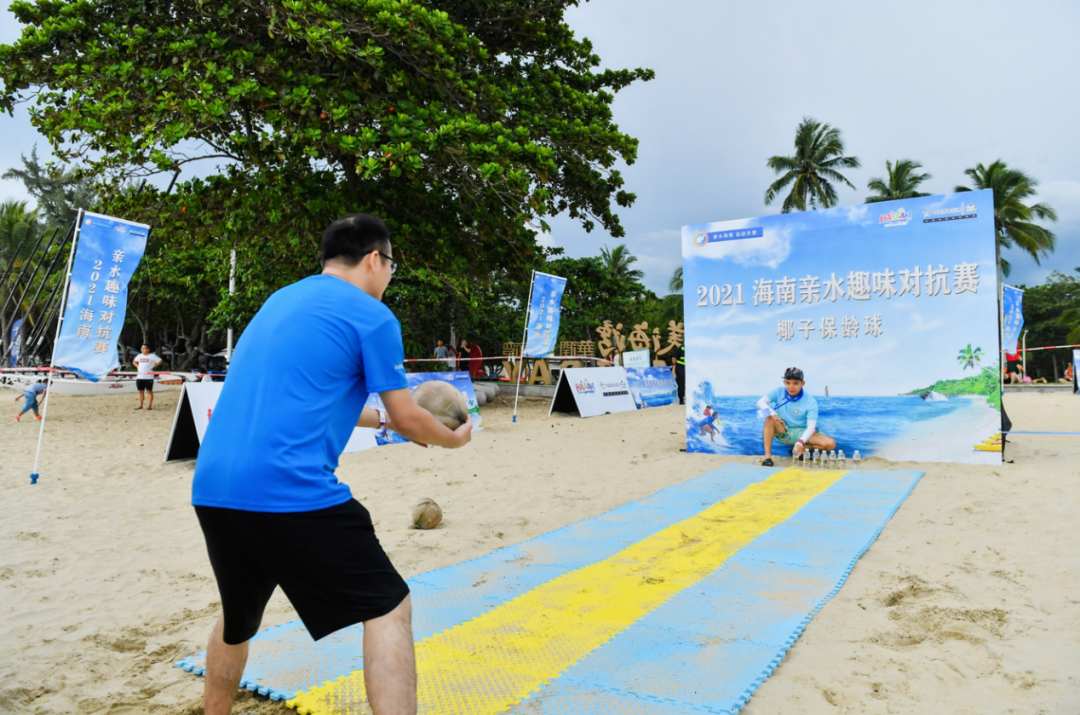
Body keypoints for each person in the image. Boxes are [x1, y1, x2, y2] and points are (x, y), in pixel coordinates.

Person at [190, 213, 471, 715]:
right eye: (391, 265)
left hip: (214, 489)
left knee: (238, 619)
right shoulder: (372, 316)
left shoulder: (280, 301)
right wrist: (456, 439)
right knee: (388, 605)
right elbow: (410, 415)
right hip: (290, 489)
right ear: (373, 260)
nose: (389, 276)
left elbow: (317, 399)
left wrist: (385, 422)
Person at [756, 367, 836, 467]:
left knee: (830, 444)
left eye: (795, 383)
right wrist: (772, 413)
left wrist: (800, 442)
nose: (791, 387)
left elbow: (811, 427)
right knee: (769, 418)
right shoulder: (778, 391)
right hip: (785, 431)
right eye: (788, 383)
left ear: (802, 384)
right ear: (784, 382)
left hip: (804, 432)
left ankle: (800, 448)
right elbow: (760, 402)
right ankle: (768, 457)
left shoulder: (810, 402)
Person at [133, 345, 163, 410]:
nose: (142, 349)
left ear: (148, 349)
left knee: (149, 391)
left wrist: (154, 366)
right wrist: (137, 366)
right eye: (142, 348)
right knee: (140, 391)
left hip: (149, 377)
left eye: (144, 348)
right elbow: (134, 361)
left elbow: (160, 361)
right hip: (140, 376)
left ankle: (149, 405)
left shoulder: (152, 356)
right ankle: (140, 405)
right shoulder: (139, 356)